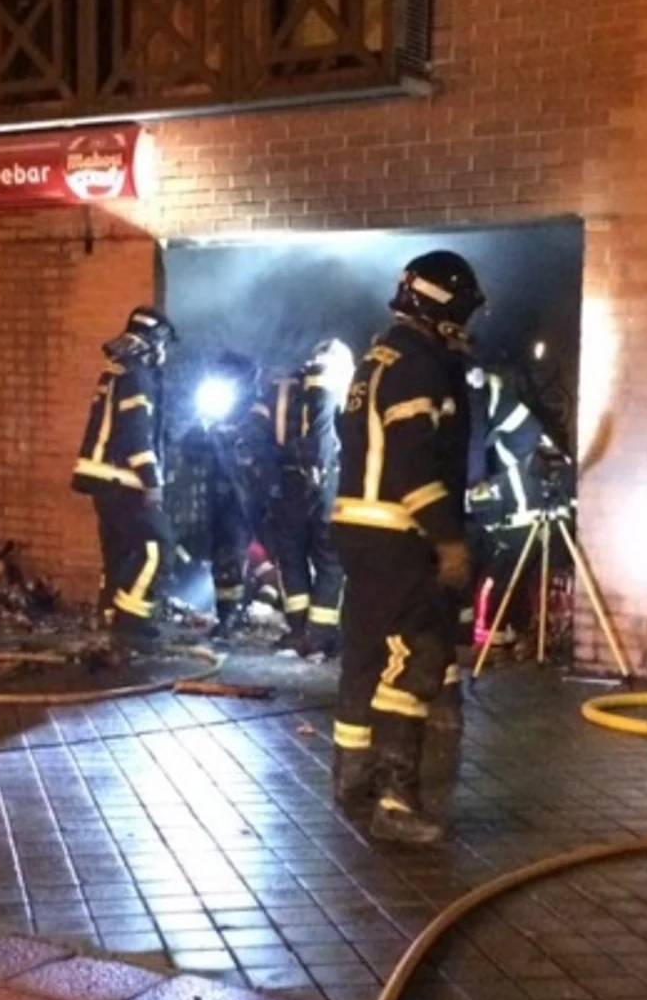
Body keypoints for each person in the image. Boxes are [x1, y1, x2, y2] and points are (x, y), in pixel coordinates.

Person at [330, 251, 484, 844]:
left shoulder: (378, 357)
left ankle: (352, 776)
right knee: (416, 657)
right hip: (399, 533)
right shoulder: (419, 365)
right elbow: (414, 461)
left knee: (367, 653)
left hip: (362, 528)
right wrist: (447, 539)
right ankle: (395, 800)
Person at [72, 305, 177, 660]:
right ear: (155, 340)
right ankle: (131, 623)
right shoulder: (137, 376)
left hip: (103, 479)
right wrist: (152, 479)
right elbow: (136, 434)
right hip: (124, 478)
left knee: (118, 551)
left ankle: (110, 616)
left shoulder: (116, 370)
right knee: (156, 545)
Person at [255, 338, 354, 659]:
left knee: (292, 557)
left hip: (287, 484)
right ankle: (320, 635)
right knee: (330, 559)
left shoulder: (283, 388)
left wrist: (269, 480)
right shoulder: (337, 384)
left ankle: (298, 630)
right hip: (327, 482)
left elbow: (258, 434)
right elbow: (330, 436)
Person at [466, 364, 559, 660]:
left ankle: (491, 639)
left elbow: (474, 455)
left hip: (526, 512)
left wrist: (475, 490)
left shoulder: (479, 400)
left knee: (501, 574)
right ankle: (513, 632)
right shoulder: (510, 414)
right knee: (517, 574)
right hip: (541, 508)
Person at [192, 351, 265, 639]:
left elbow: (259, 450)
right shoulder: (216, 410)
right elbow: (191, 453)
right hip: (222, 495)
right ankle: (228, 615)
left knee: (257, 555)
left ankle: (292, 619)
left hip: (249, 495)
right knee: (224, 556)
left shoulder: (257, 410)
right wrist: (203, 430)